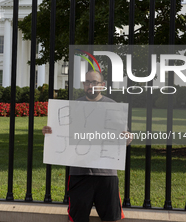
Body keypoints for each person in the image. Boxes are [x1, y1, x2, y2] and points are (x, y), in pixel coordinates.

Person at [42, 70, 132, 222]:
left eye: (94, 83)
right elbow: (62, 133)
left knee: (112, 218)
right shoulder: (73, 107)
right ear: (84, 85)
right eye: (87, 82)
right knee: (78, 218)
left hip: (107, 174)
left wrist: (128, 138)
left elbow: (122, 137)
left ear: (102, 85)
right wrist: (50, 132)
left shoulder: (113, 107)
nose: (91, 86)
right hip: (79, 173)